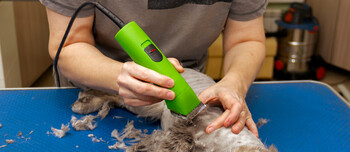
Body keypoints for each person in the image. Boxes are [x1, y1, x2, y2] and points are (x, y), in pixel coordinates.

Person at [39, 0, 267, 138]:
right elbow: (69, 44)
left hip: (188, 89)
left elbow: (245, 39)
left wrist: (234, 83)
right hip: (95, 94)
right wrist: (117, 76)